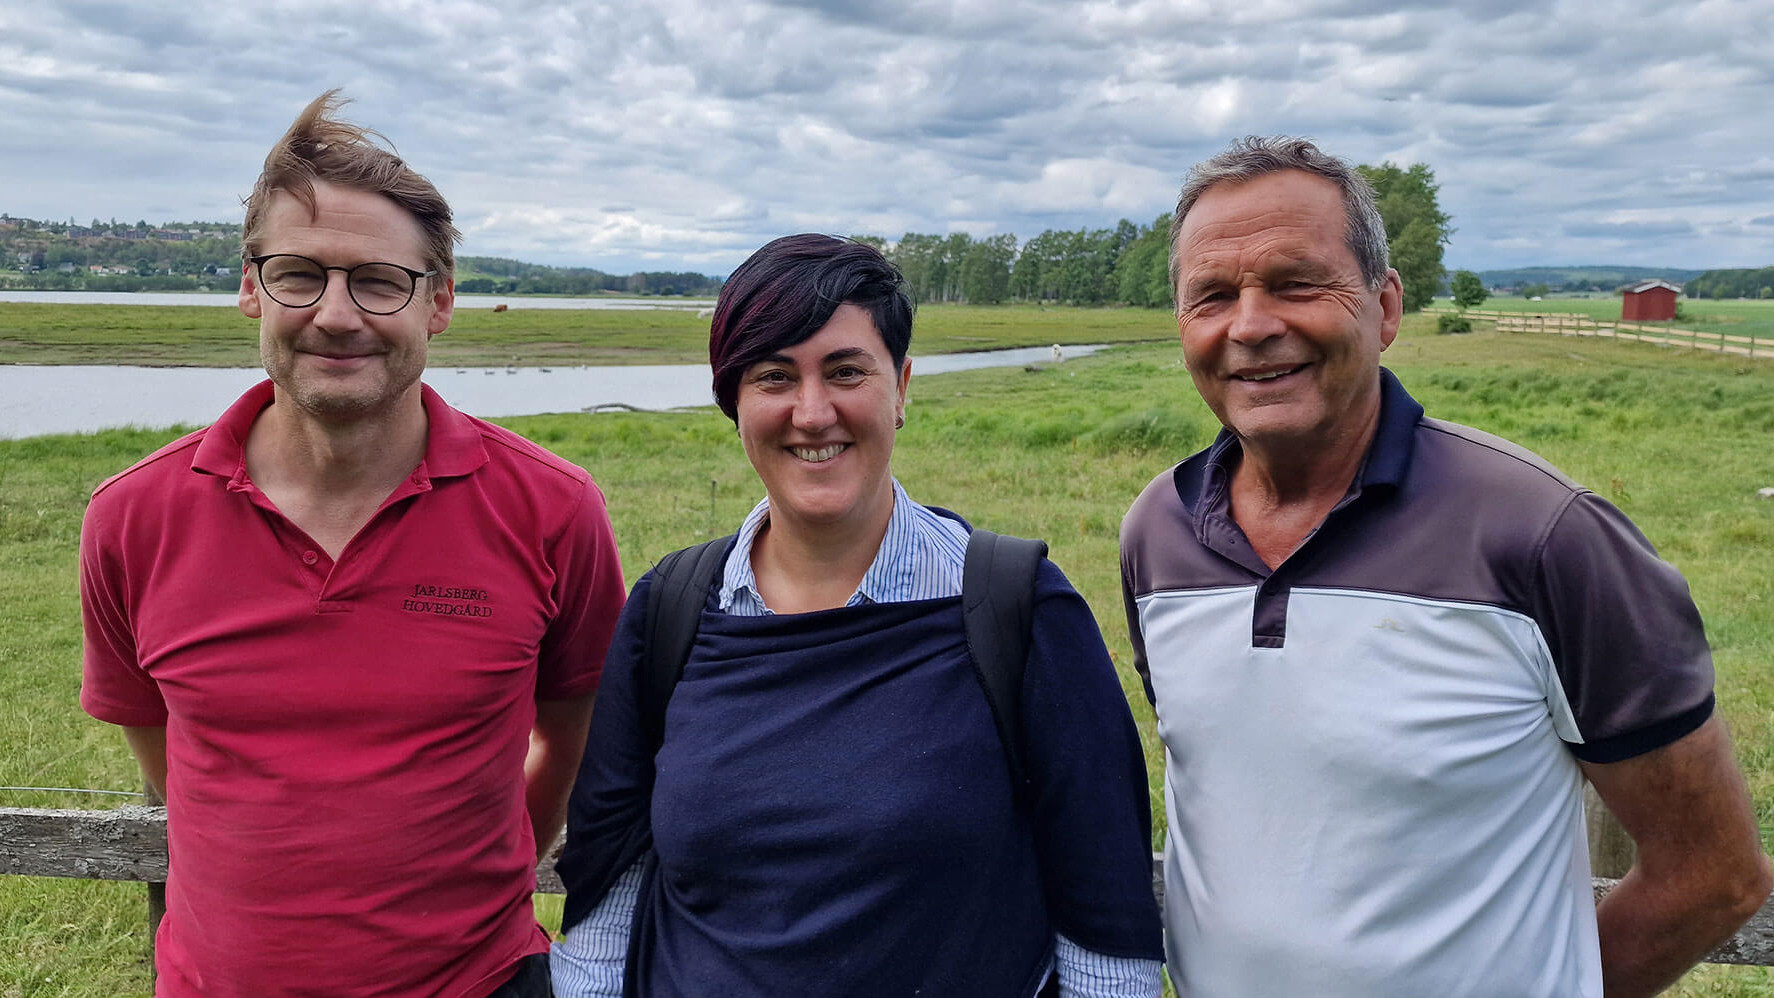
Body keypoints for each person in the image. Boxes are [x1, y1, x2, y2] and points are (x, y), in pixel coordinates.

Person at [1119, 135, 1772, 996]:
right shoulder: (1158, 535)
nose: (1250, 324)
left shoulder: (1545, 537)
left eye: (1295, 283)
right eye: (1212, 296)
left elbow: (1716, 875)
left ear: (1384, 307)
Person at [78, 91, 626, 997]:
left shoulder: (552, 510)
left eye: (379, 281)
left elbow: (572, 729)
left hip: (479, 981)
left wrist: (474, 886)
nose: (337, 314)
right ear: (251, 285)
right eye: (300, 274)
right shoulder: (133, 518)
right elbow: (169, 753)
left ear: (440, 302)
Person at [551, 234, 1164, 997]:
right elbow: (611, 886)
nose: (813, 413)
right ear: (732, 401)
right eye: (775, 376)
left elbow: (1106, 924)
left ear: (902, 388)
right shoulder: (670, 611)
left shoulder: (1018, 608)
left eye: (846, 372)